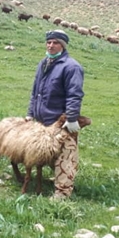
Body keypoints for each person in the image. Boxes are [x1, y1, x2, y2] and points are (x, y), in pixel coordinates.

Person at [26, 29, 84, 199]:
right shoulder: (44, 63)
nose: (51, 45)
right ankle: (55, 179)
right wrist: (30, 113)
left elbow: (75, 94)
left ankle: (63, 192)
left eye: (55, 43)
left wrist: (72, 118)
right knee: (48, 153)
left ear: (63, 46)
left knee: (65, 155)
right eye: (49, 42)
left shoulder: (71, 67)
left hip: (60, 121)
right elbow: (35, 91)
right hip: (42, 120)